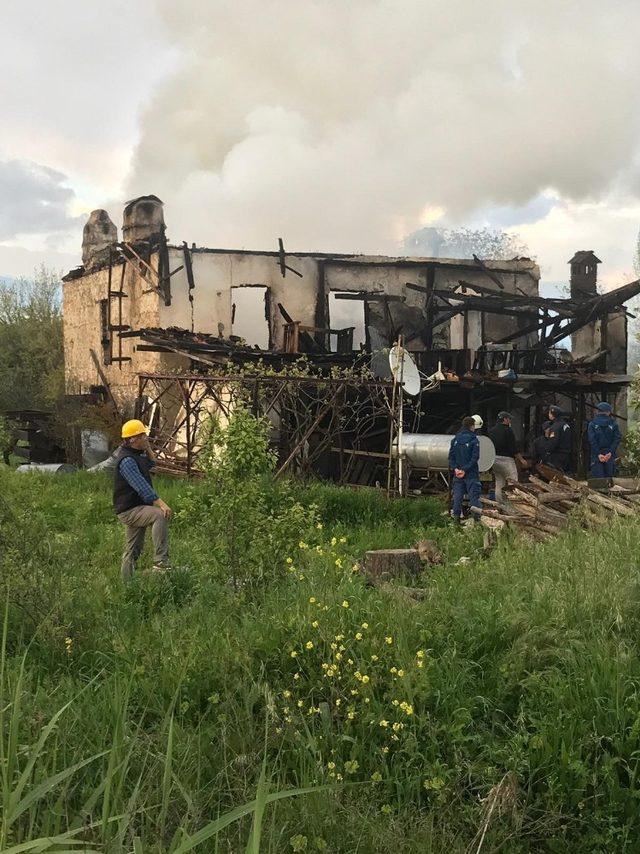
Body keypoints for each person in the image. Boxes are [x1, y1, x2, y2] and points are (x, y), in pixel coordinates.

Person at [113, 419, 172, 581]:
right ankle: (161, 562)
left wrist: (148, 448)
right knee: (159, 515)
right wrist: (161, 503)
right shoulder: (127, 461)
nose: (146, 438)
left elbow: (152, 463)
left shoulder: (136, 455)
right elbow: (142, 487)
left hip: (136, 508)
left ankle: (126, 585)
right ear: (132, 439)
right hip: (130, 510)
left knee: (133, 550)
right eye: (143, 436)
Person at [448, 416, 482, 523]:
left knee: (457, 497)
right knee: (474, 497)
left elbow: (451, 457)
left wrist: (456, 469)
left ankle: (456, 520)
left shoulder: (455, 440)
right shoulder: (474, 440)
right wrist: (465, 469)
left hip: (457, 474)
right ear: (472, 426)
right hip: (471, 474)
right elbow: (475, 458)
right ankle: (476, 521)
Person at [488, 411, 518, 502]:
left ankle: (499, 504)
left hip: (495, 459)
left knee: (499, 482)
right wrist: (520, 458)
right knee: (513, 481)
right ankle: (513, 503)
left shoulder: (492, 430)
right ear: (504, 419)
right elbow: (513, 447)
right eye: (509, 419)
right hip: (506, 459)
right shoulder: (508, 430)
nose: (510, 421)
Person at [587, 401, 621, 478]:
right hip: (609, 455)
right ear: (608, 412)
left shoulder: (592, 424)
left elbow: (592, 440)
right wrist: (610, 452)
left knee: (598, 481)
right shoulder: (613, 424)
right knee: (609, 480)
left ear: (597, 411)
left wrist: (598, 454)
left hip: (596, 455)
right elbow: (617, 439)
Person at [545, 405, 572, 472]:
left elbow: (553, 441)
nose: (549, 415)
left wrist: (547, 451)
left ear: (553, 414)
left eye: (549, 413)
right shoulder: (566, 425)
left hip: (557, 455)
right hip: (566, 454)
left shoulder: (555, 426)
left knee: (556, 476)